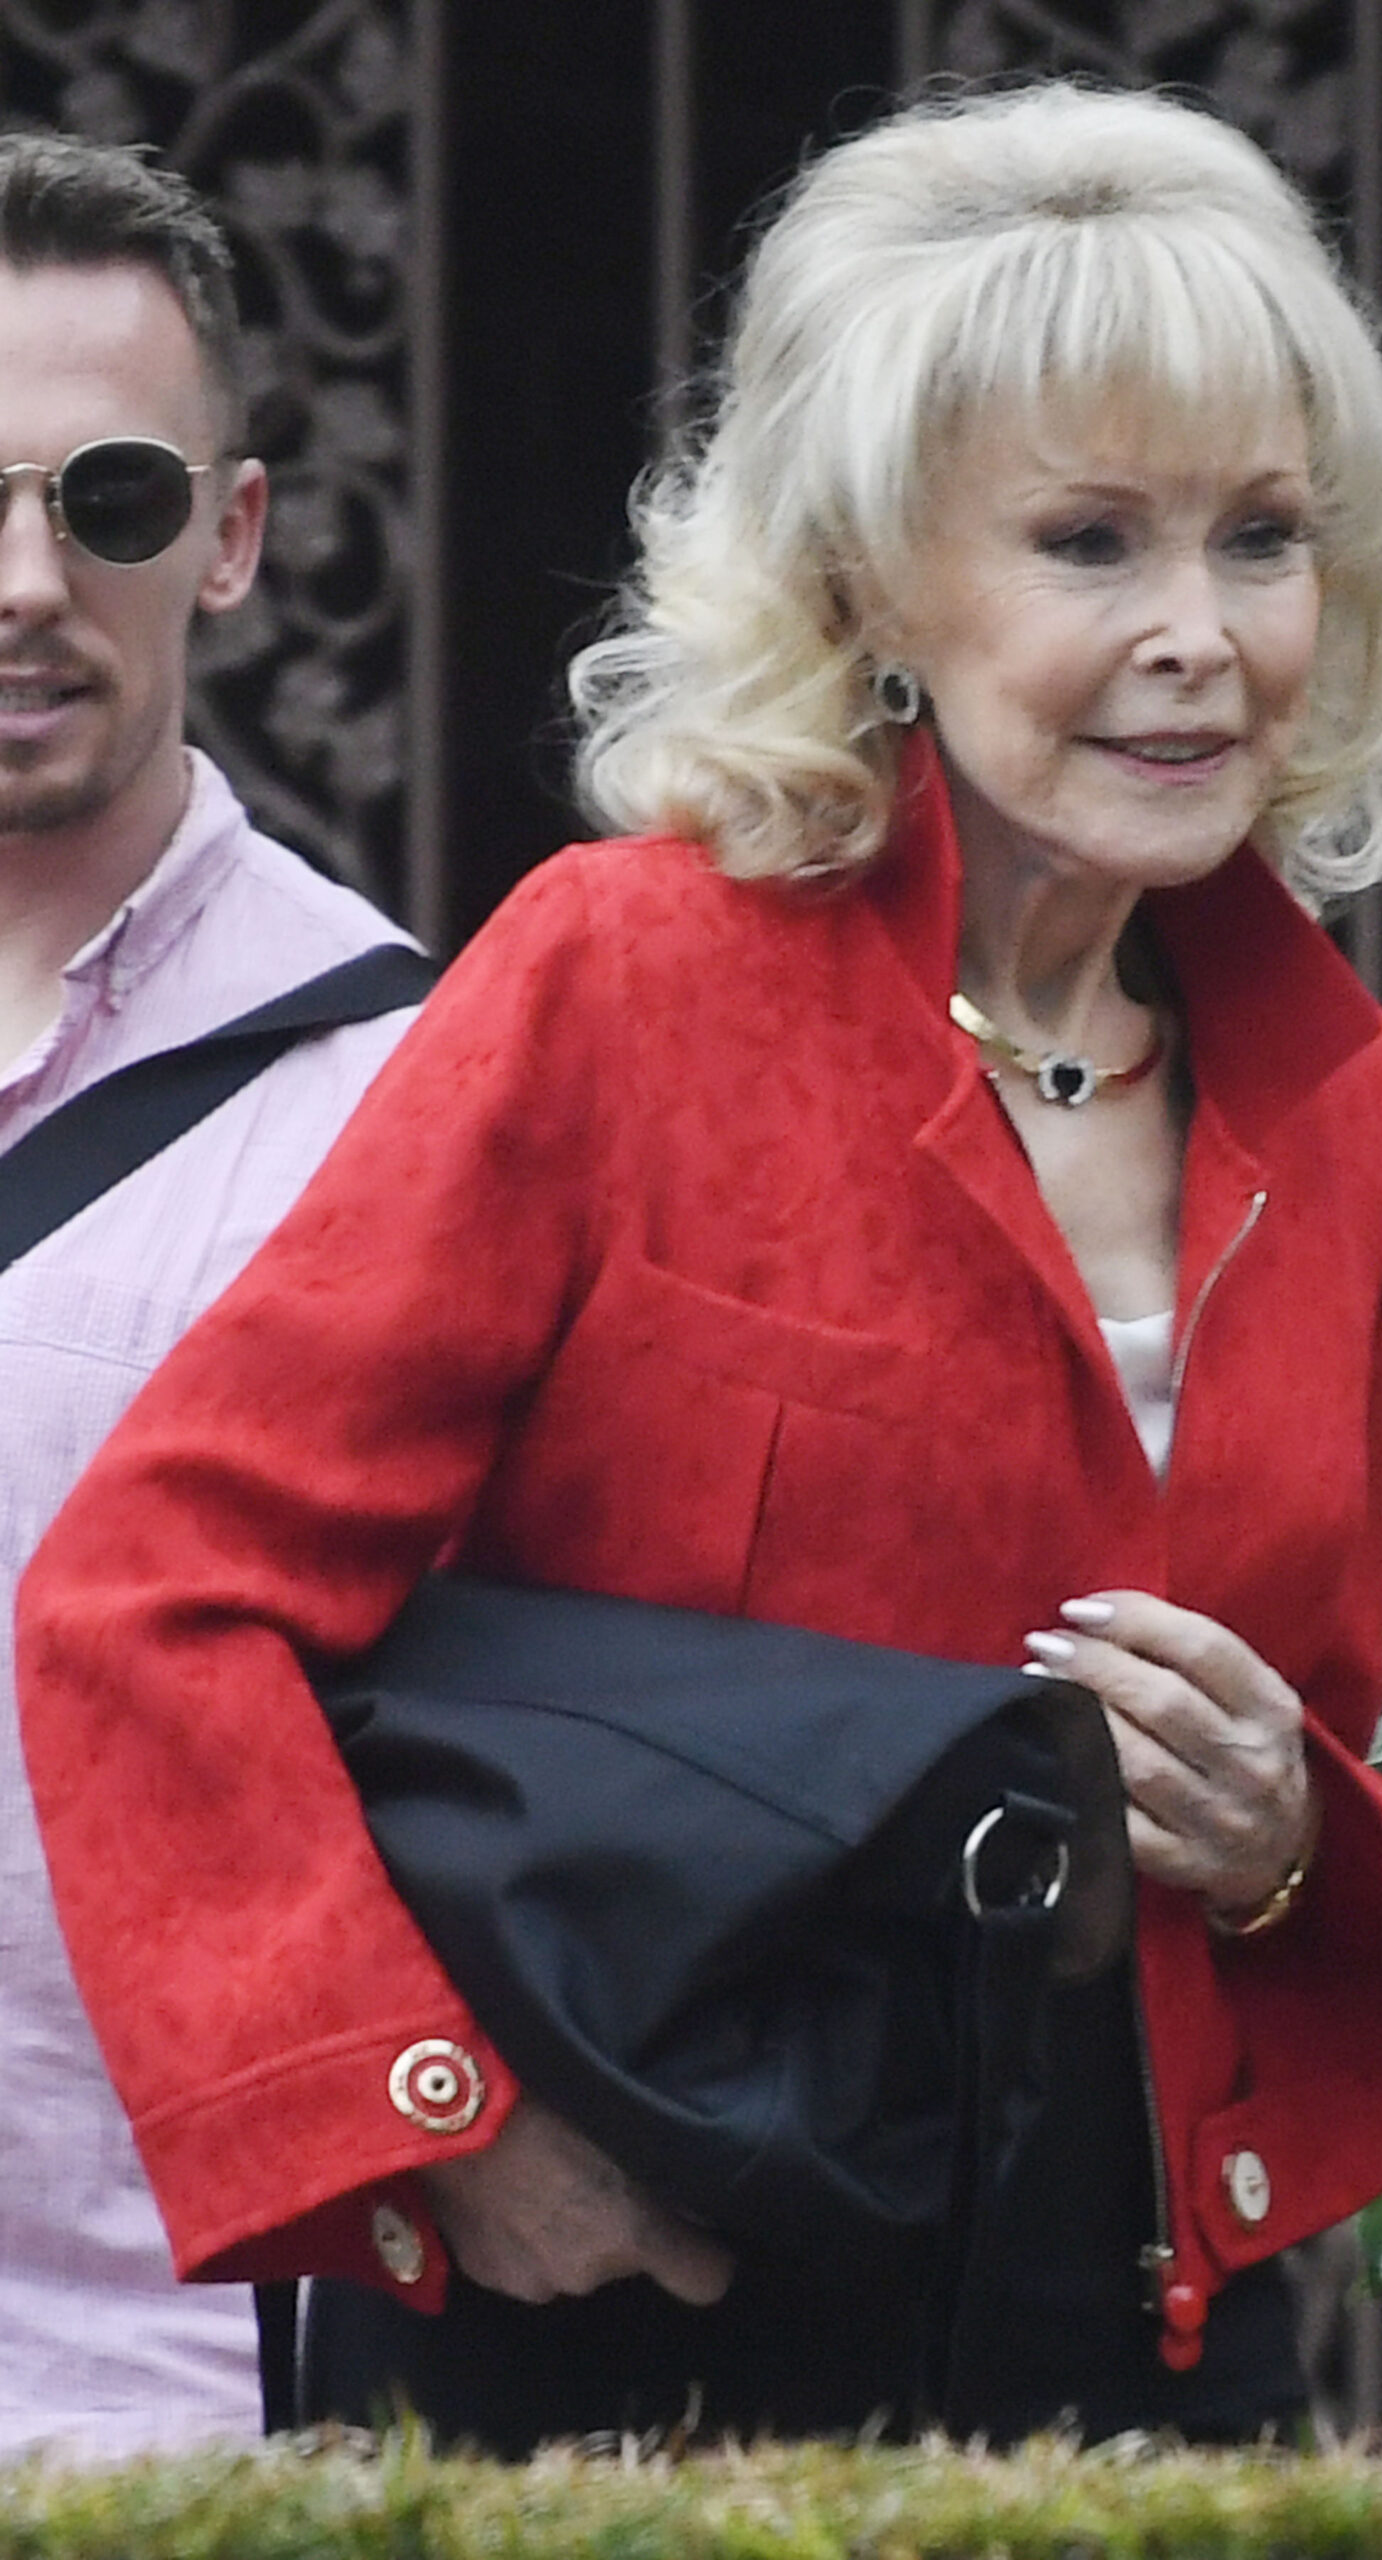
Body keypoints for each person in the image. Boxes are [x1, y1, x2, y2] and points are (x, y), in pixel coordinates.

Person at [17, 81, 1382, 2456]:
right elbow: (149, 1604)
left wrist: (1296, 1832)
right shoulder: (626, 981)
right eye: (1090, 540)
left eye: (1263, 538)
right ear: (877, 576)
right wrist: (447, 2136)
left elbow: (1283, 1742)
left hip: (1133, 2334)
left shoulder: (1361, 1118)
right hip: (627, 2320)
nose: (1198, 637)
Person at [0, 131, 426, 2459]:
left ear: (236, 536)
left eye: (116, 499)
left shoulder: (415, 1094)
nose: (28, 580)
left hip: (198, 2418)